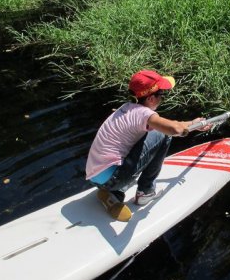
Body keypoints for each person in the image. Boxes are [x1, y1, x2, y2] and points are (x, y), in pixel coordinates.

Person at [85, 70, 211, 222]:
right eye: (162, 95)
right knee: (163, 134)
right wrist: (193, 126)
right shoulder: (144, 114)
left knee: (152, 132)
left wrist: (193, 124)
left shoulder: (126, 108)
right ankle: (145, 192)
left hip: (93, 177)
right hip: (112, 179)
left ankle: (114, 193)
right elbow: (174, 129)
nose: (162, 98)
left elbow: (171, 124)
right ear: (151, 98)